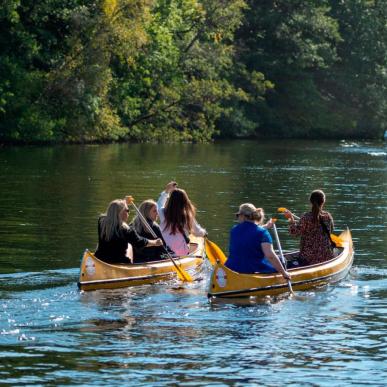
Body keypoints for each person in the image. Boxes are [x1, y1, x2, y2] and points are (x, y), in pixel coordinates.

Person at [225, 203, 290, 280]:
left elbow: (249, 233)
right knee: (283, 261)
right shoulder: (262, 233)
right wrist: (284, 273)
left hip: (230, 268)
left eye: (238, 215)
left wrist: (265, 227)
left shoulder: (234, 230)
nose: (237, 218)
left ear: (243, 216)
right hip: (251, 269)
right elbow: (270, 256)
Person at [95, 199, 163, 264]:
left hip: (100, 259)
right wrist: (154, 242)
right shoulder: (127, 230)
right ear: (120, 212)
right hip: (118, 262)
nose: (129, 213)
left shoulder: (101, 222)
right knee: (130, 245)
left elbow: (114, 209)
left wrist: (124, 202)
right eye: (127, 210)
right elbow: (139, 242)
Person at [157, 181, 207, 256]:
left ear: (170, 200)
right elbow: (197, 232)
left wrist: (166, 191)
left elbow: (159, 204)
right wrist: (205, 233)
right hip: (180, 253)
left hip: (164, 250)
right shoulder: (187, 216)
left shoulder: (163, 212)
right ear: (185, 201)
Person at [286, 189, 334, 265]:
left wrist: (291, 220)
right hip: (326, 256)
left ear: (310, 201)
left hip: (308, 258)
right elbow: (331, 231)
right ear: (323, 201)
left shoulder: (306, 217)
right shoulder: (328, 216)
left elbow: (294, 233)